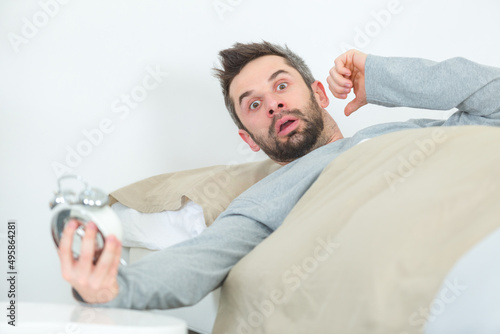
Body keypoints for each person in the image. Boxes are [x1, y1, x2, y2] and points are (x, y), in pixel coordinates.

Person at [58, 42, 500, 309]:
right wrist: (113, 288)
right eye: (253, 104)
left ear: (320, 93)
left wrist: (383, 76)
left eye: (282, 85)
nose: (273, 104)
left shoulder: (405, 134)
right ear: (249, 139)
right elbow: (204, 258)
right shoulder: (267, 198)